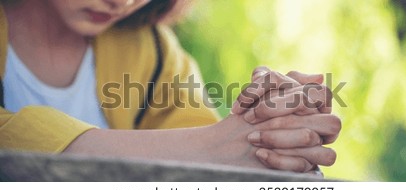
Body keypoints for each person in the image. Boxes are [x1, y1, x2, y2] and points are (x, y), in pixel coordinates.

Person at [0, 0, 340, 174]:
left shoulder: (157, 52)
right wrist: (211, 146)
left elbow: (218, 145)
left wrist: (274, 127)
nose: (122, 2)